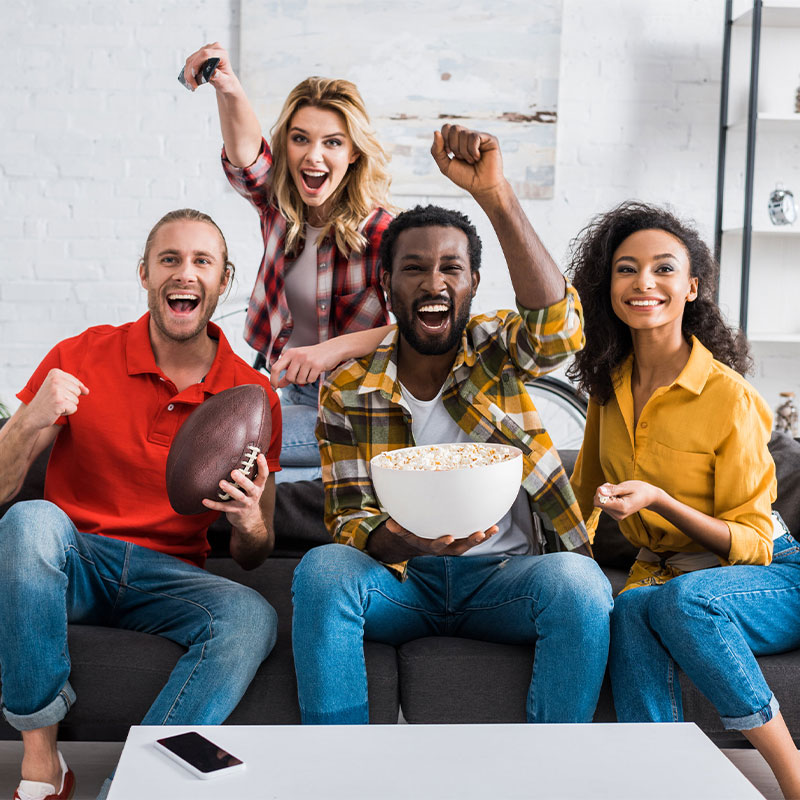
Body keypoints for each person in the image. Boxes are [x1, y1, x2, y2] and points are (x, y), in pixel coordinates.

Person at [290, 123, 613, 725]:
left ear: (472, 284)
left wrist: (495, 196)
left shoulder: (495, 348)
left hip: (505, 581)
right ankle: (336, 767)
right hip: (402, 584)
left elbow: (558, 332)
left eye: (450, 269)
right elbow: (349, 520)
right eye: (413, 268)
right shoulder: (348, 389)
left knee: (581, 584)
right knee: (323, 569)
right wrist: (404, 540)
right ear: (388, 284)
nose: (433, 282)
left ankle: (556, 773)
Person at [0, 209, 282, 800]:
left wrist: (250, 518)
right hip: (76, 560)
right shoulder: (79, 355)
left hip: (171, 578)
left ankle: (133, 785)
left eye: (202, 261)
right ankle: (42, 765)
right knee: (27, 520)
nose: (186, 273)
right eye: (170, 260)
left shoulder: (249, 398)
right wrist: (30, 417)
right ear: (145, 274)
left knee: (252, 615)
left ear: (224, 280)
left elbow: (255, 555)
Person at [568, 201, 800, 799]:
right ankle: (660, 784)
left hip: (770, 574)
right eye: (626, 269)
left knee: (679, 603)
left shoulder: (729, 397)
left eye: (663, 269)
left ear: (692, 286)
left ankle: (790, 771)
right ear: (608, 286)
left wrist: (661, 502)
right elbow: (580, 501)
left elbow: (752, 543)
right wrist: (560, 564)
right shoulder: (607, 385)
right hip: (665, 575)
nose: (644, 283)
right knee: (632, 609)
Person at [182, 43, 395, 482]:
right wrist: (228, 86)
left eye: (332, 143)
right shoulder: (280, 205)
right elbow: (246, 157)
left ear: (353, 153)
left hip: (348, 403)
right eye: (301, 139)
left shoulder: (382, 234)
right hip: (283, 385)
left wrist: (328, 352)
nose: (313, 156)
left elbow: (414, 329)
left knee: (224, 449)